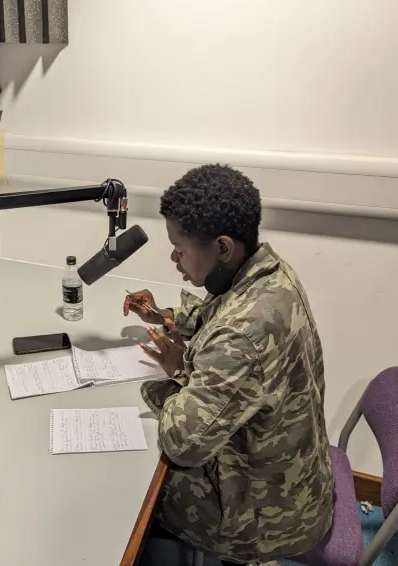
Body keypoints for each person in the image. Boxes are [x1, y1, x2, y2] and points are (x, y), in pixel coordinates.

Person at [124, 164, 334, 566]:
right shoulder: (268, 274)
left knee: (138, 499)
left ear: (222, 247)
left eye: (180, 249)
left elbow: (183, 443)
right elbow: (220, 314)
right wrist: (166, 316)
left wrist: (171, 377)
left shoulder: (243, 334)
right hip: (297, 481)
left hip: (271, 519)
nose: (174, 258)